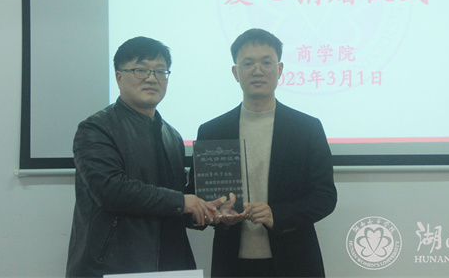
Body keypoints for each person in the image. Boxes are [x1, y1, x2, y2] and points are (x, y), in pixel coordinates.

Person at [66, 37, 223, 277]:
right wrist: (184, 202)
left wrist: (208, 212)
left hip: (173, 264)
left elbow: (173, 203)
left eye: (160, 71)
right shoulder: (96, 129)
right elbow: (110, 190)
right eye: (141, 70)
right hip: (116, 266)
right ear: (119, 77)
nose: (152, 78)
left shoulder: (172, 136)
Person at [191, 28, 337, 277]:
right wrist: (215, 214)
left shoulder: (306, 128)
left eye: (266, 62)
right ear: (236, 73)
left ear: (279, 70)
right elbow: (196, 197)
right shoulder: (212, 130)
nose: (257, 70)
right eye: (248, 63)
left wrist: (276, 214)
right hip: (232, 263)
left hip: (295, 261)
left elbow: (325, 197)